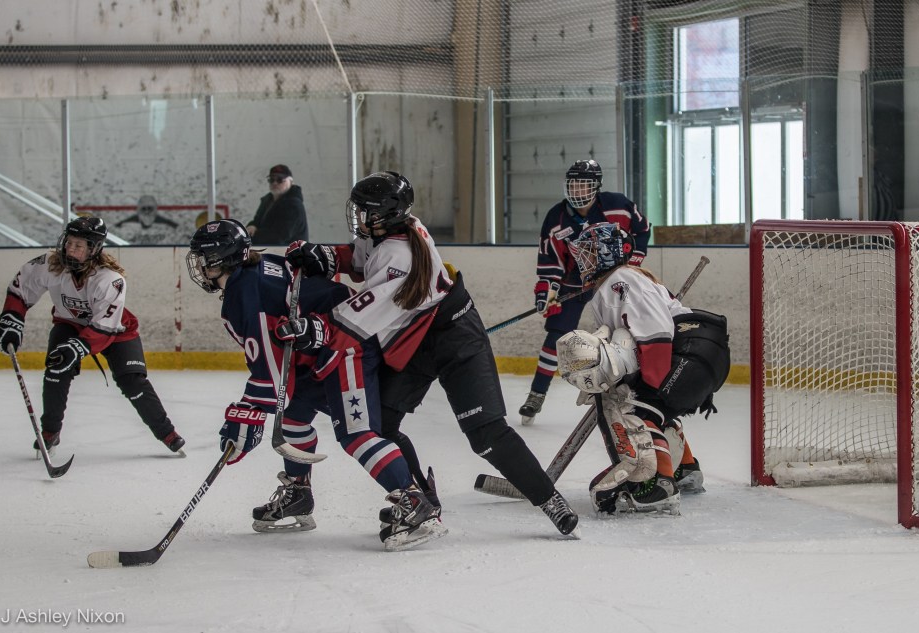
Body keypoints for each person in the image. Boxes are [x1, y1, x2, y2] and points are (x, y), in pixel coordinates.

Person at [284, 171, 580, 538]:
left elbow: (353, 322)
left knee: (486, 434)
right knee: (384, 426)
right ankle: (422, 502)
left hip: (456, 340)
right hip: (417, 343)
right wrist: (324, 256)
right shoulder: (394, 231)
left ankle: (550, 500)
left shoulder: (399, 256)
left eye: (365, 210)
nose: (358, 217)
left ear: (382, 214)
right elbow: (360, 261)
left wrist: (313, 329)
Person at [186, 218, 445, 551]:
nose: (199, 266)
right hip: (319, 351)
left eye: (203, 258)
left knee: (356, 433)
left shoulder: (243, 295)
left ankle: (414, 505)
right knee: (292, 414)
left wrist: (244, 418)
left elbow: (271, 373)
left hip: (345, 345)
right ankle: (298, 494)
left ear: (219, 259)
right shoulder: (258, 270)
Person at [555, 223, 729, 515]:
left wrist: (647, 384)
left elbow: (656, 332)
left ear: (609, 253)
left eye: (589, 252)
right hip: (702, 352)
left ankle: (656, 485)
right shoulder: (616, 282)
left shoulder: (619, 279)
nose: (583, 260)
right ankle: (684, 469)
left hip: (690, 351)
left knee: (634, 407)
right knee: (654, 406)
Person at [0, 216, 185, 456]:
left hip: (114, 330)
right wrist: (12, 320)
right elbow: (20, 290)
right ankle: (50, 432)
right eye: (68, 242)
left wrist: (77, 348)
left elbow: (104, 326)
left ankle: (167, 433)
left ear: (93, 249)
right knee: (56, 368)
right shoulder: (50, 265)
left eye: (78, 245)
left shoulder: (110, 280)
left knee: (132, 380)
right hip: (69, 324)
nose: (69, 249)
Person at [519, 159, 651, 425]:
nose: (578, 190)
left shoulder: (619, 206)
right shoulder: (556, 218)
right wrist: (547, 293)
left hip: (613, 281)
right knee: (556, 336)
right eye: (574, 184)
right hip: (574, 284)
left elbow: (643, 231)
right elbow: (550, 263)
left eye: (584, 185)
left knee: (625, 334)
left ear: (597, 186)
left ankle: (635, 392)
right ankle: (536, 394)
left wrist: (631, 264)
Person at [245, 164, 309, 245]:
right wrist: (252, 226)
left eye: (280, 179)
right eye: (271, 179)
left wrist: (251, 237)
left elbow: (280, 236)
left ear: (291, 182)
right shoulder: (267, 200)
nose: (275, 183)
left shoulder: (293, 205)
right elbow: (257, 221)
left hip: (290, 255)